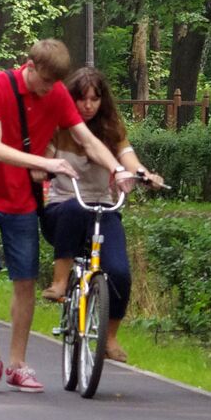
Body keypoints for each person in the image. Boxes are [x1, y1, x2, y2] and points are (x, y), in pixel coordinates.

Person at [0, 39, 136, 392]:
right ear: (30, 66)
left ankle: (18, 364)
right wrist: (47, 163)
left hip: (21, 198)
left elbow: (87, 140)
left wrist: (117, 169)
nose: (49, 90)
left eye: (56, 84)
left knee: (24, 281)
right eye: (45, 81)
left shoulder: (54, 95)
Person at [38, 67, 164, 363]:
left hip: (102, 208)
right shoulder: (58, 127)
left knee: (119, 272)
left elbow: (129, 160)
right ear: (71, 99)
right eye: (82, 99)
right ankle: (59, 281)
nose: (89, 105)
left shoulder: (112, 129)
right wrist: (44, 168)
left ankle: (109, 337)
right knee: (71, 208)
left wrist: (145, 175)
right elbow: (43, 160)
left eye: (95, 99)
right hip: (64, 208)